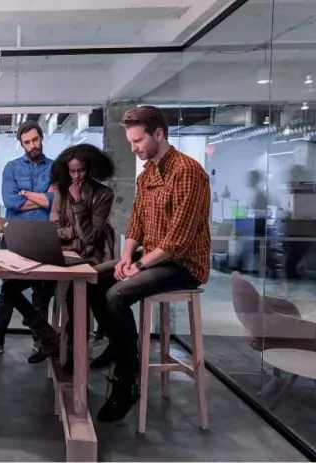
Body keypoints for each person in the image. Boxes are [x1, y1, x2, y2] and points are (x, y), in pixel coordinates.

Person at [88, 106, 210, 422]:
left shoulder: (188, 171)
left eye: (138, 141)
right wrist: (127, 256)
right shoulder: (148, 174)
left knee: (116, 295)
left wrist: (138, 268)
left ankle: (127, 384)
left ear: (158, 134)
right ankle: (119, 343)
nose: (134, 148)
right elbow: (138, 222)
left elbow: (178, 241)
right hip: (153, 257)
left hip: (183, 264)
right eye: (130, 142)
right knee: (90, 277)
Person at [0, 120, 60, 364]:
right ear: (21, 144)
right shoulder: (11, 168)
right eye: (27, 142)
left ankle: (41, 342)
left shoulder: (56, 168)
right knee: (8, 291)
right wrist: (44, 198)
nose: (32, 145)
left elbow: (57, 200)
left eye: (35, 140)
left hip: (44, 236)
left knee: (42, 293)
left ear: (41, 138)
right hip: (16, 237)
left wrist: (27, 195)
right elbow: (11, 202)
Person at [49, 144, 115, 371]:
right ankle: (56, 344)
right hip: (65, 255)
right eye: (72, 171)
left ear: (91, 168)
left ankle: (74, 354)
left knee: (79, 295)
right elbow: (54, 229)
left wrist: (77, 204)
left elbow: (91, 237)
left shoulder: (104, 194)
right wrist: (74, 232)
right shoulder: (60, 192)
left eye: (81, 170)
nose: (76, 176)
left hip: (94, 258)